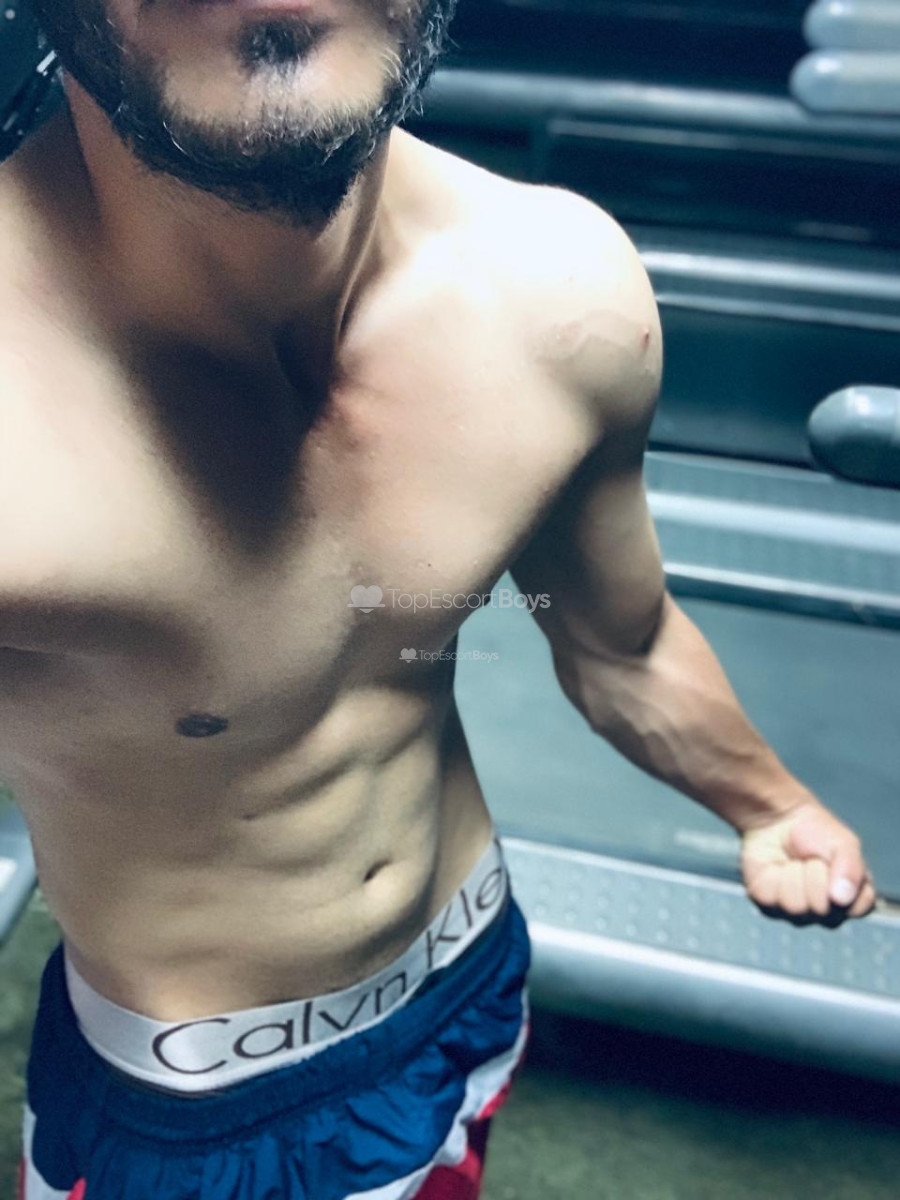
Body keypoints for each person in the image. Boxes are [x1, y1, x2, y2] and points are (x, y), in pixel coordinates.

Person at [0, 0, 877, 1196]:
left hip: (470, 973)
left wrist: (769, 809)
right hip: (197, 1110)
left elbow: (621, 647)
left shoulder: (556, 288)